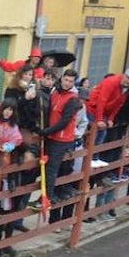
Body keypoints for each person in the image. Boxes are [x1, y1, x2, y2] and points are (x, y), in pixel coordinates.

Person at [41, 69, 83, 208]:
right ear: (62, 78)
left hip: (62, 138)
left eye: (70, 81)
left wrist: (47, 131)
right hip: (52, 135)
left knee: (52, 168)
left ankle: (48, 197)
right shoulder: (55, 92)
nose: (67, 83)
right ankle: (47, 195)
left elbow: (65, 121)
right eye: (66, 80)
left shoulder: (73, 98)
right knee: (47, 167)